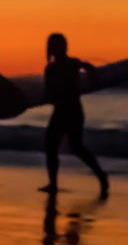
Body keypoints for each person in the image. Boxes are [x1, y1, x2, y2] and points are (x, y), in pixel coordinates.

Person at [40, 32, 108, 197]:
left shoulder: (56, 67)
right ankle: (100, 175)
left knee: (59, 147)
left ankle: (55, 185)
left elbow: (50, 94)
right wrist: (93, 78)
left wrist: (92, 78)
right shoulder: (71, 64)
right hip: (73, 110)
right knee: (70, 147)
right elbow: (89, 67)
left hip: (66, 110)